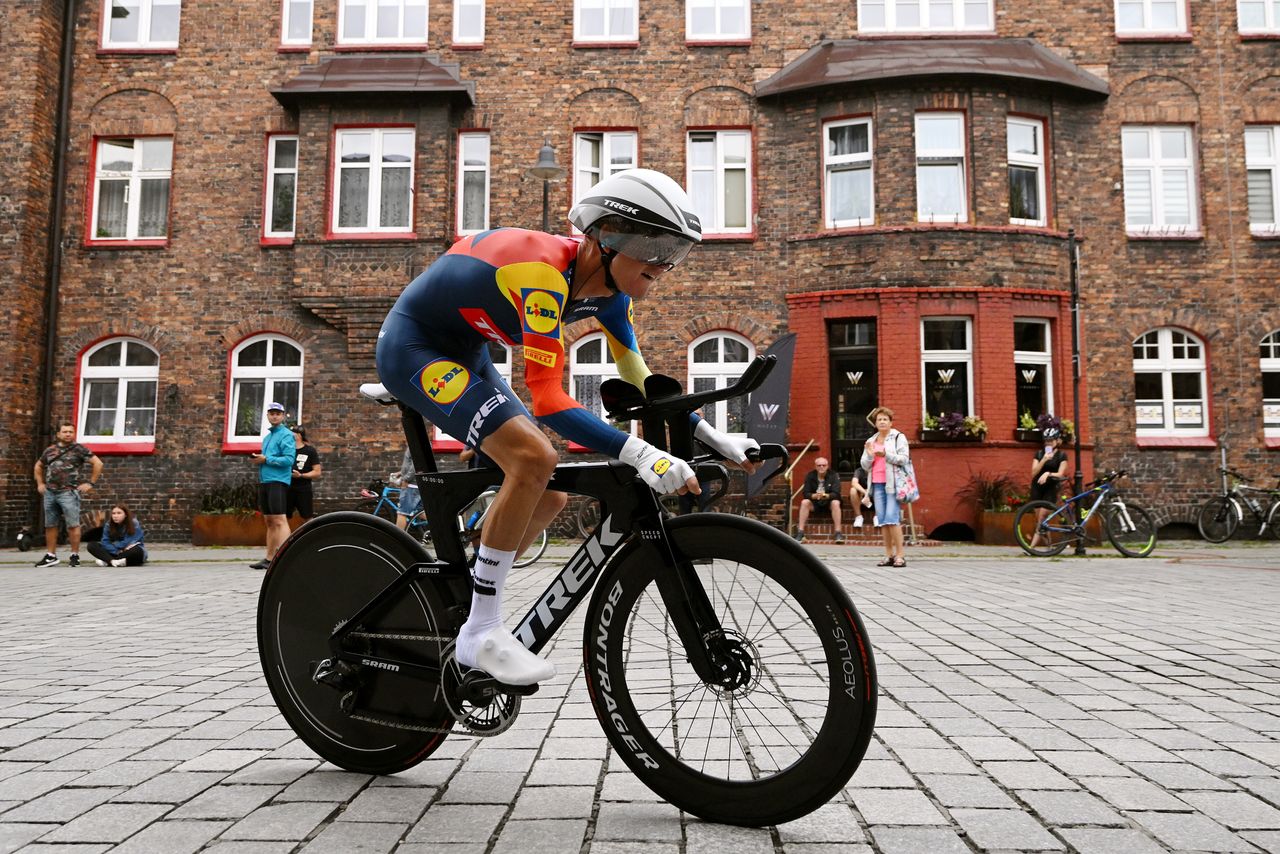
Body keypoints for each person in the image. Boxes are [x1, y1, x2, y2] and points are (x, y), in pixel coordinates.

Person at [376, 168, 759, 686]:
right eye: (653, 244)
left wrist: (711, 433)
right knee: (535, 459)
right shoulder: (543, 277)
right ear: (604, 237)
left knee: (548, 494)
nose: (664, 263)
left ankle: (465, 589)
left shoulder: (612, 297)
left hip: (468, 351)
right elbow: (550, 400)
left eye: (675, 249)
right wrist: (641, 455)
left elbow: (641, 382)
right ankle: (480, 631)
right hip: (414, 347)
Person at [32, 421, 103, 568]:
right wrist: (40, 484)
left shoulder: (79, 450)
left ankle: (74, 555)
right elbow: (39, 465)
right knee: (50, 524)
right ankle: (51, 556)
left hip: (68, 492)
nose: (68, 434)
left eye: (71, 432)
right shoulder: (50, 450)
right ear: (58, 434)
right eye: (65, 431)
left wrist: (90, 483)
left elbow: (98, 463)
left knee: (73, 524)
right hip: (50, 492)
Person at [249, 402, 296, 570]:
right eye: (271, 413)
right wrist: (260, 459)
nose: (274, 416)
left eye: (278, 413)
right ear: (267, 416)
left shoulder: (286, 434)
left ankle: (285, 558)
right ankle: (269, 559)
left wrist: (266, 459)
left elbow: (289, 460)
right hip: (265, 481)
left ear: (283, 416)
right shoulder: (267, 438)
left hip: (278, 481)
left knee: (279, 519)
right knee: (269, 520)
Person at [861, 407, 909, 568]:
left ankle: (900, 555)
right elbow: (865, 466)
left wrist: (885, 455)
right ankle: (888, 555)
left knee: (892, 519)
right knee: (883, 521)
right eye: (879, 420)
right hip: (877, 483)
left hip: (893, 484)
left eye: (885, 419)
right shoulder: (871, 441)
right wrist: (869, 454)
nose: (882, 422)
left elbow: (904, 459)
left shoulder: (898, 437)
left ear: (890, 422)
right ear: (875, 423)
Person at [1029, 427, 1070, 549]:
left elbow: (1061, 473)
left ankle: (1031, 548)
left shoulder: (1062, 455)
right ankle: (1050, 547)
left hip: (1051, 487)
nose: (1048, 443)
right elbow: (1033, 473)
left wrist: (1048, 474)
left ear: (1057, 441)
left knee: (1042, 517)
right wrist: (1044, 460)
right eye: (1046, 441)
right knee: (1040, 521)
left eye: (1051, 441)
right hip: (1037, 487)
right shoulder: (1040, 454)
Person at [795, 457, 844, 543]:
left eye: (824, 465)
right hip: (815, 502)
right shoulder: (810, 476)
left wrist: (825, 496)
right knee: (804, 502)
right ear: (815, 466)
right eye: (819, 465)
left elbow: (836, 493)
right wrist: (814, 496)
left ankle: (838, 533)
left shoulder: (834, 475)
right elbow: (805, 493)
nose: (821, 467)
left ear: (827, 466)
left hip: (829, 502)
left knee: (836, 502)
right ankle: (800, 532)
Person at [287, 425, 322, 522]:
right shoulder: (286, 450)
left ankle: (312, 537)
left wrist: (301, 475)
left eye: (291, 433)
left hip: (303, 489)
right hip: (286, 488)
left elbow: (317, 472)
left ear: (298, 435)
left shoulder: (310, 451)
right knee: (284, 518)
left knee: (307, 517)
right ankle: (286, 537)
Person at [393, 446, 422, 530]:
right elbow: (410, 463)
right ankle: (443, 525)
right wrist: (401, 473)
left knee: (402, 513)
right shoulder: (421, 443)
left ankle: (397, 539)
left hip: (411, 485)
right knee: (420, 511)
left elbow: (416, 464)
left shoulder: (415, 443)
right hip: (416, 483)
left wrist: (405, 479)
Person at [849, 465, 871, 530]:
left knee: (881, 490)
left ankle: (878, 516)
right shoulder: (859, 471)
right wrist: (865, 493)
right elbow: (854, 483)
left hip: (875, 498)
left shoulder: (877, 470)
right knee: (853, 490)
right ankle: (858, 516)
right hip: (861, 498)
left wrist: (869, 492)